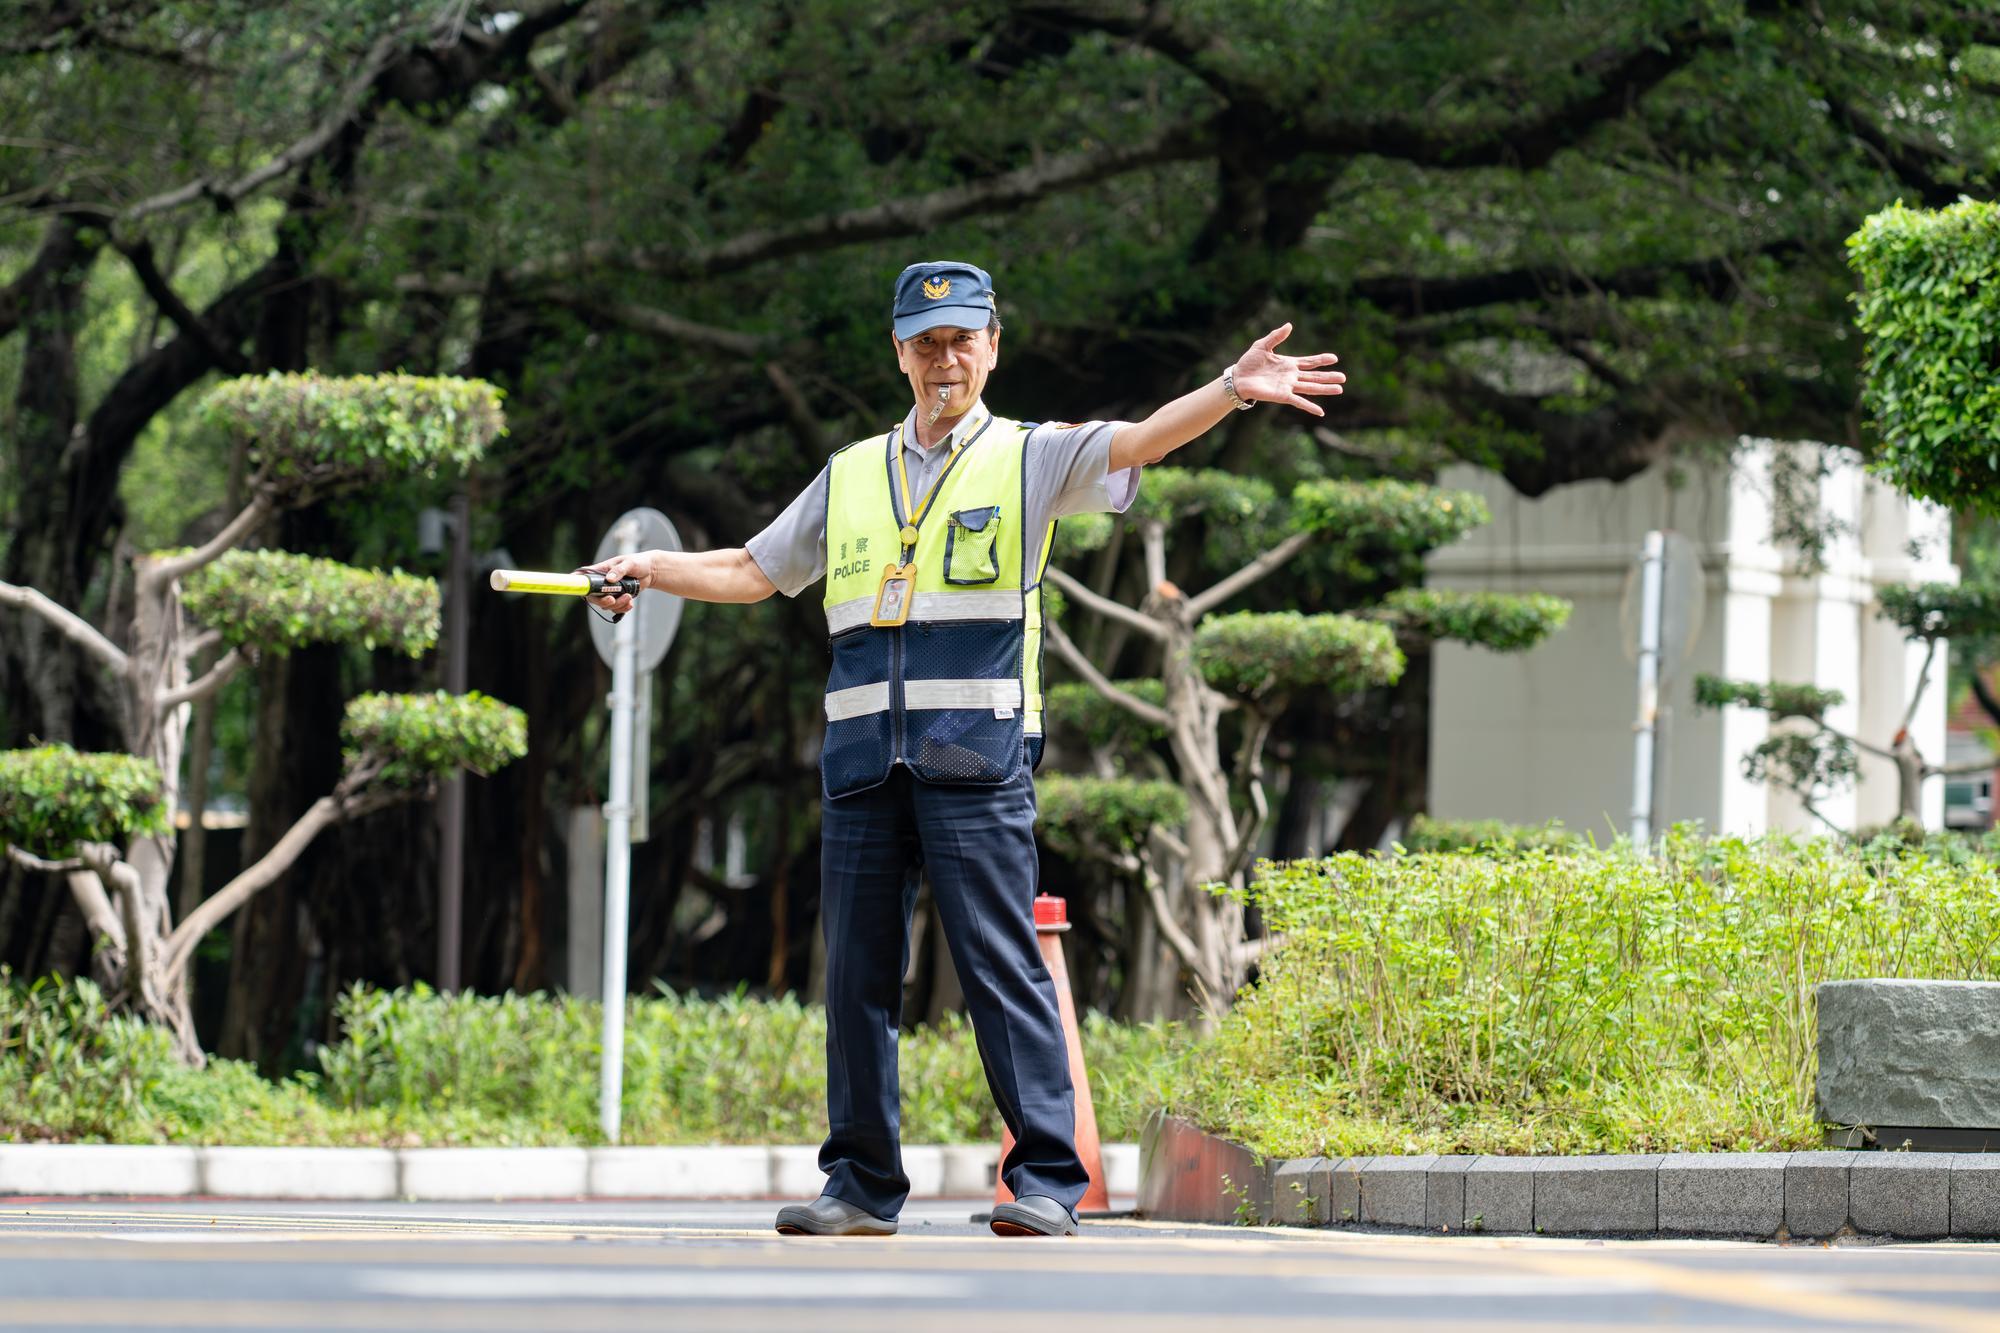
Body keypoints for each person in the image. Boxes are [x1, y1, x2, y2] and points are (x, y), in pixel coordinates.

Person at [586, 260, 1343, 1237]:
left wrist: (1230, 392)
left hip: (975, 761)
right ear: (899, 352)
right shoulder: (851, 473)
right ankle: (858, 1185)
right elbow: (751, 568)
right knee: (854, 976)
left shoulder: (1029, 457)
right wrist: (649, 568)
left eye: (962, 340)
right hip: (862, 765)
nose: (945, 358)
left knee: (999, 964)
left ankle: (1042, 1183)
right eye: (926, 341)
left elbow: (1142, 438)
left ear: (992, 347)